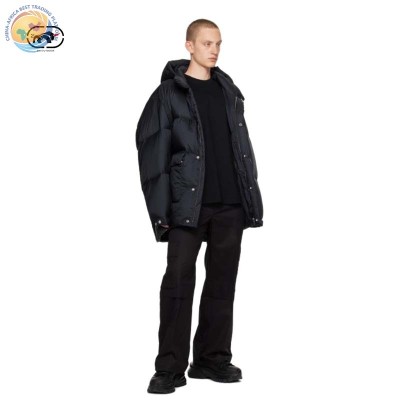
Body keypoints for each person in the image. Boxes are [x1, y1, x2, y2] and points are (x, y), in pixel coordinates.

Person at [135, 18, 264, 394]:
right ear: (189, 46)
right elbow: (152, 155)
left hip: (230, 203)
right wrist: (162, 213)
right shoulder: (168, 94)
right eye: (207, 43)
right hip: (187, 205)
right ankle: (169, 368)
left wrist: (249, 196)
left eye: (218, 43)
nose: (214, 50)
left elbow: (241, 148)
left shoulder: (228, 91)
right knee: (177, 284)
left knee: (222, 285)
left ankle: (211, 359)